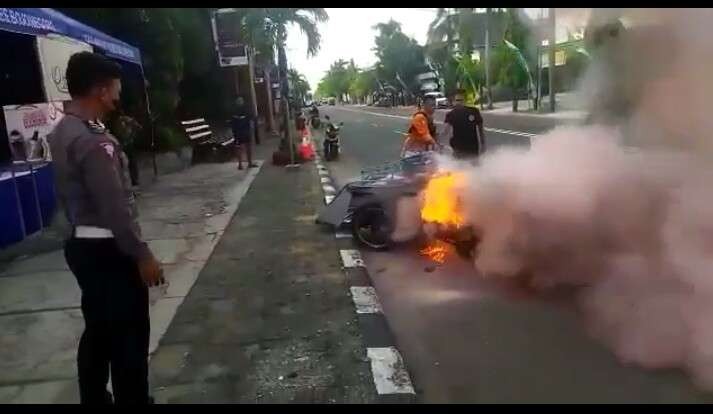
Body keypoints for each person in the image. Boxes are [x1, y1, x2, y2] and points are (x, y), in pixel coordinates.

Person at [47, 51, 163, 405]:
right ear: (100, 89)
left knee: (98, 330)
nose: (117, 97)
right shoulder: (94, 142)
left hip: (80, 247)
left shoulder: (64, 130)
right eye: (115, 89)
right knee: (129, 338)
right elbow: (115, 209)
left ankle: (94, 399)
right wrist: (142, 254)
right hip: (109, 250)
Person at [443, 89, 486, 160]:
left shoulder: (474, 111)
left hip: (472, 147)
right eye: (457, 100)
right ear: (453, 102)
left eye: (461, 100)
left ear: (464, 101)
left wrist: (483, 144)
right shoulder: (450, 115)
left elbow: (480, 129)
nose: (459, 102)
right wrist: (438, 142)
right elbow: (446, 131)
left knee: (475, 168)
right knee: (460, 169)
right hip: (458, 149)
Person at [106, 106, 142, 188]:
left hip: (127, 143)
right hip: (122, 143)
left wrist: (132, 134)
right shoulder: (115, 121)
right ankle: (131, 181)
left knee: (131, 162)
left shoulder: (125, 120)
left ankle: (134, 180)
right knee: (126, 162)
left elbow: (138, 127)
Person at [230, 96, 257, 170]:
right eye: (238, 100)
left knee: (248, 146)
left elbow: (250, 120)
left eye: (241, 100)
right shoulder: (234, 110)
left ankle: (249, 163)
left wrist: (251, 129)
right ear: (236, 102)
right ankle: (240, 164)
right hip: (239, 131)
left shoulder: (245, 109)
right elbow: (233, 123)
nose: (240, 102)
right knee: (240, 147)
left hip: (245, 130)